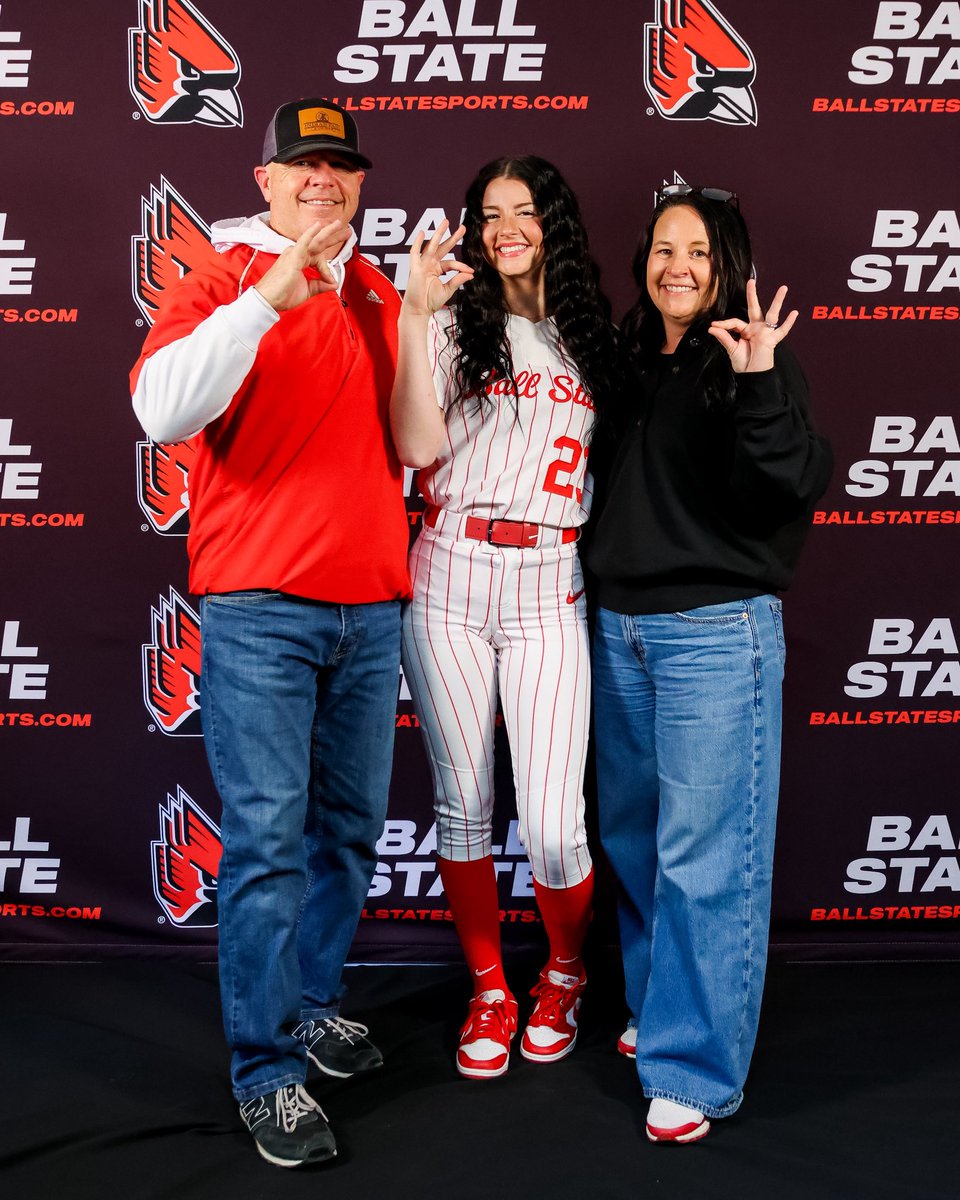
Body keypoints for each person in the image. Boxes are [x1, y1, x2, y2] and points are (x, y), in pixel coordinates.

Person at [130, 98, 410, 1168]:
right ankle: (265, 1070)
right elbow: (162, 410)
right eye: (303, 165)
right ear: (265, 182)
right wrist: (267, 300)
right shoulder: (221, 275)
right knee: (264, 850)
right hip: (262, 611)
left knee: (344, 831)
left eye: (340, 166)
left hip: (372, 608)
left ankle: (310, 1005)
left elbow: (408, 438)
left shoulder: (380, 286)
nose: (323, 181)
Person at [586, 185, 832, 1142]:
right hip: (618, 630)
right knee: (639, 842)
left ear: (726, 263)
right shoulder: (626, 360)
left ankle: (693, 1068)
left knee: (705, 856)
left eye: (695, 249)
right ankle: (665, 1007)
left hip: (714, 635)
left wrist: (762, 379)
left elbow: (791, 484)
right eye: (661, 247)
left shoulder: (752, 360)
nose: (675, 265)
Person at [390, 155, 621, 1079]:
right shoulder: (450, 321)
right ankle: (489, 985)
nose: (505, 227)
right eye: (490, 213)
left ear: (554, 222)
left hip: (547, 581)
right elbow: (413, 444)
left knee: (558, 823)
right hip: (448, 568)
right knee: (466, 806)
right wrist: (413, 316)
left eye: (524, 211)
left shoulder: (594, 338)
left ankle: (564, 973)